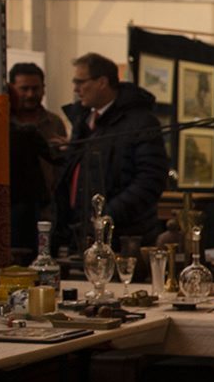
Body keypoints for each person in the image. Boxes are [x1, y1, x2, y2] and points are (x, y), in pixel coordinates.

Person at [53, 53, 168, 249]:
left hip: (123, 237)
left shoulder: (140, 122)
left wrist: (107, 214)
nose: (76, 89)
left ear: (102, 82)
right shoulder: (85, 121)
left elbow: (150, 179)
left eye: (81, 82)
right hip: (83, 235)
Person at [6, 61, 67, 250]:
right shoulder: (3, 123)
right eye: (24, 89)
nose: (30, 95)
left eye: (36, 88)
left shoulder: (54, 122)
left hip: (49, 209)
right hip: (13, 207)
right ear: (12, 89)